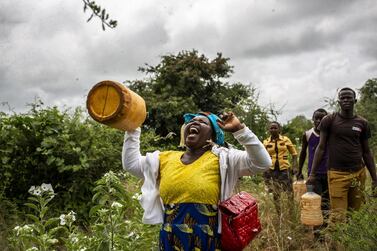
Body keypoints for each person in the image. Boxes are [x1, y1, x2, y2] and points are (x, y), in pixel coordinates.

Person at [122, 111, 271, 250]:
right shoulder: (163, 159)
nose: (194, 123)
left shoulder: (224, 158)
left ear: (212, 134)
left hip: (209, 239)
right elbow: (131, 164)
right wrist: (133, 127)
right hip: (171, 238)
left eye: (202, 122)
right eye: (191, 121)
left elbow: (262, 163)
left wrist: (240, 130)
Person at [307, 87, 377, 223]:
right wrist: (312, 174)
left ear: (355, 100)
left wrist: (375, 178)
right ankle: (334, 244)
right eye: (342, 98)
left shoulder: (362, 123)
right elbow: (321, 148)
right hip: (337, 174)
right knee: (338, 216)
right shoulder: (329, 120)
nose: (345, 100)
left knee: (355, 214)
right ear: (338, 101)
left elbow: (367, 152)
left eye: (349, 97)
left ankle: (351, 243)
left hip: (358, 173)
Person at [297, 108, 329, 211]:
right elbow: (303, 153)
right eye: (316, 118)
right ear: (313, 119)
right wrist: (299, 170)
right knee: (316, 200)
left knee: (328, 201)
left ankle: (328, 225)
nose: (319, 121)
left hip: (330, 172)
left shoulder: (331, 134)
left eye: (322, 118)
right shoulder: (307, 134)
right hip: (314, 174)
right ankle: (317, 225)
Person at [263, 121, 298, 215]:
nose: (273, 129)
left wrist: (295, 166)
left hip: (285, 169)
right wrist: (265, 171)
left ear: (279, 129)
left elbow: (294, 154)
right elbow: (263, 157)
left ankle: (291, 212)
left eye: (275, 128)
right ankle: (279, 214)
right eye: (271, 128)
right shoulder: (266, 142)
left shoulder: (286, 140)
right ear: (268, 130)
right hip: (272, 170)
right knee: (276, 193)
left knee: (289, 192)